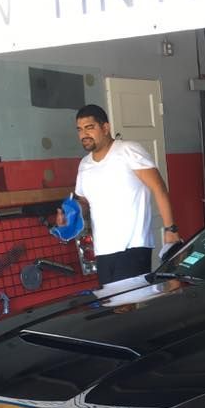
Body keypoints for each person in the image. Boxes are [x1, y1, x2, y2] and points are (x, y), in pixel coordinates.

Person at [60, 104, 180, 287]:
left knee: (130, 303)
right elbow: (84, 202)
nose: (84, 134)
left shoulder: (128, 150)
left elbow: (159, 188)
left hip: (132, 246)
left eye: (89, 127)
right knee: (112, 302)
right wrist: (69, 215)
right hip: (103, 250)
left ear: (105, 128)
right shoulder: (84, 164)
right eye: (80, 129)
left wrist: (170, 229)